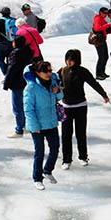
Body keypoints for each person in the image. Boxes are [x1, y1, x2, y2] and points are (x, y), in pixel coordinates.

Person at [58, 49, 110, 169]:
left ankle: (83, 156)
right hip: (66, 107)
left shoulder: (82, 71)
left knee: (80, 133)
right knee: (66, 134)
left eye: (71, 60)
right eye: (67, 59)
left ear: (77, 60)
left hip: (80, 106)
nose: (68, 62)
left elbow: (93, 83)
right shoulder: (62, 71)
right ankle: (66, 159)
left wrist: (104, 94)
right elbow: (54, 83)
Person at [23, 61, 62, 190]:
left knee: (55, 148)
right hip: (38, 126)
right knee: (39, 152)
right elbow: (28, 109)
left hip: (51, 122)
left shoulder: (53, 82)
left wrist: (57, 91)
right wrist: (34, 126)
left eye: (50, 71)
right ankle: (37, 178)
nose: (49, 74)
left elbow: (60, 97)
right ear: (38, 73)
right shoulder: (31, 87)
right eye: (46, 71)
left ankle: (47, 170)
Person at [3, 35, 32, 138]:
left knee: (17, 107)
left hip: (17, 83)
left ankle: (19, 129)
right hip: (27, 81)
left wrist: (6, 83)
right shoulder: (28, 51)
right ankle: (27, 126)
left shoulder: (15, 53)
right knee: (26, 105)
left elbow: (12, 69)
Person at [0, 7, 17, 75]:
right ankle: (11, 74)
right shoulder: (14, 20)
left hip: (2, 44)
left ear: (2, 13)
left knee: (0, 60)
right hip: (13, 43)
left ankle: (6, 74)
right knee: (11, 60)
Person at [92, 6, 111, 80]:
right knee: (102, 57)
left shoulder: (102, 19)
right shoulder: (98, 18)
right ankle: (98, 74)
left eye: (107, 13)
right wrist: (108, 25)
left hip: (102, 40)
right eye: (105, 13)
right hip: (99, 41)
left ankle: (102, 72)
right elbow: (97, 28)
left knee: (105, 56)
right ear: (100, 12)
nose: (106, 14)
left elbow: (106, 30)